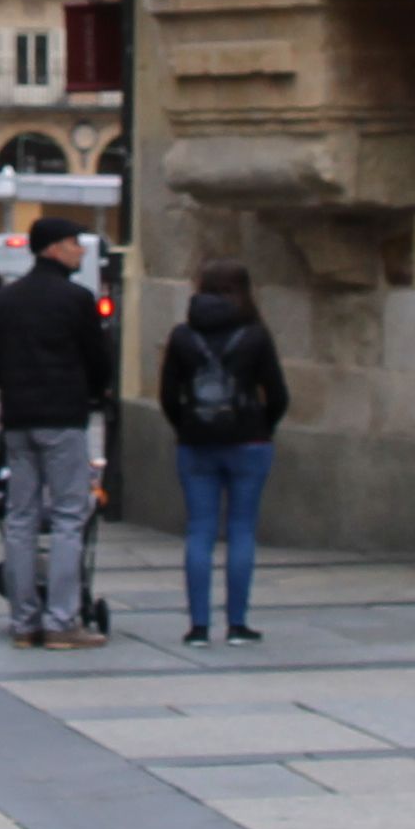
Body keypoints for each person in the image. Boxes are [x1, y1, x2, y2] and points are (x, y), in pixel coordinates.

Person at [0, 209, 112, 647]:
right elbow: (99, 361)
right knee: (68, 517)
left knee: (19, 518)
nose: (80, 251)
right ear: (54, 248)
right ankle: (61, 620)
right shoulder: (75, 300)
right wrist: (89, 392)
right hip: (63, 417)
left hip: (19, 419)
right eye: (75, 243)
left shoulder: (6, 298)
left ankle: (23, 621)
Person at [161, 258, 289, 645]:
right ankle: (237, 624)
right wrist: (263, 426)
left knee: (199, 530)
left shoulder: (182, 335)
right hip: (249, 441)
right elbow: (278, 394)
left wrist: (185, 426)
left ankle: (198, 626)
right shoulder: (255, 335)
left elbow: (168, 395)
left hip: (196, 443)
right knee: (241, 529)